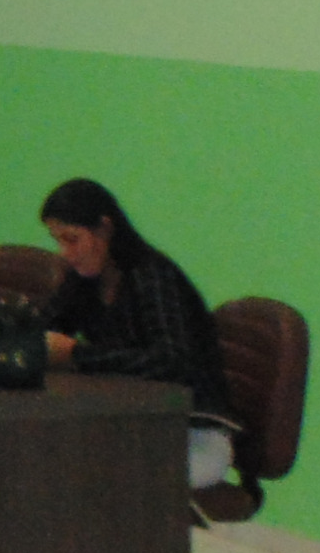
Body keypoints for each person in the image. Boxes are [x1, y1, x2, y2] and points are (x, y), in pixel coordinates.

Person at [36, 177, 234, 443]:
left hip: (193, 428)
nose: (66, 253)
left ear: (105, 229)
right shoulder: (83, 281)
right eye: (58, 241)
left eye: (72, 240)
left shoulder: (153, 275)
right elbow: (42, 327)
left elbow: (171, 362)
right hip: (132, 422)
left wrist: (76, 353)